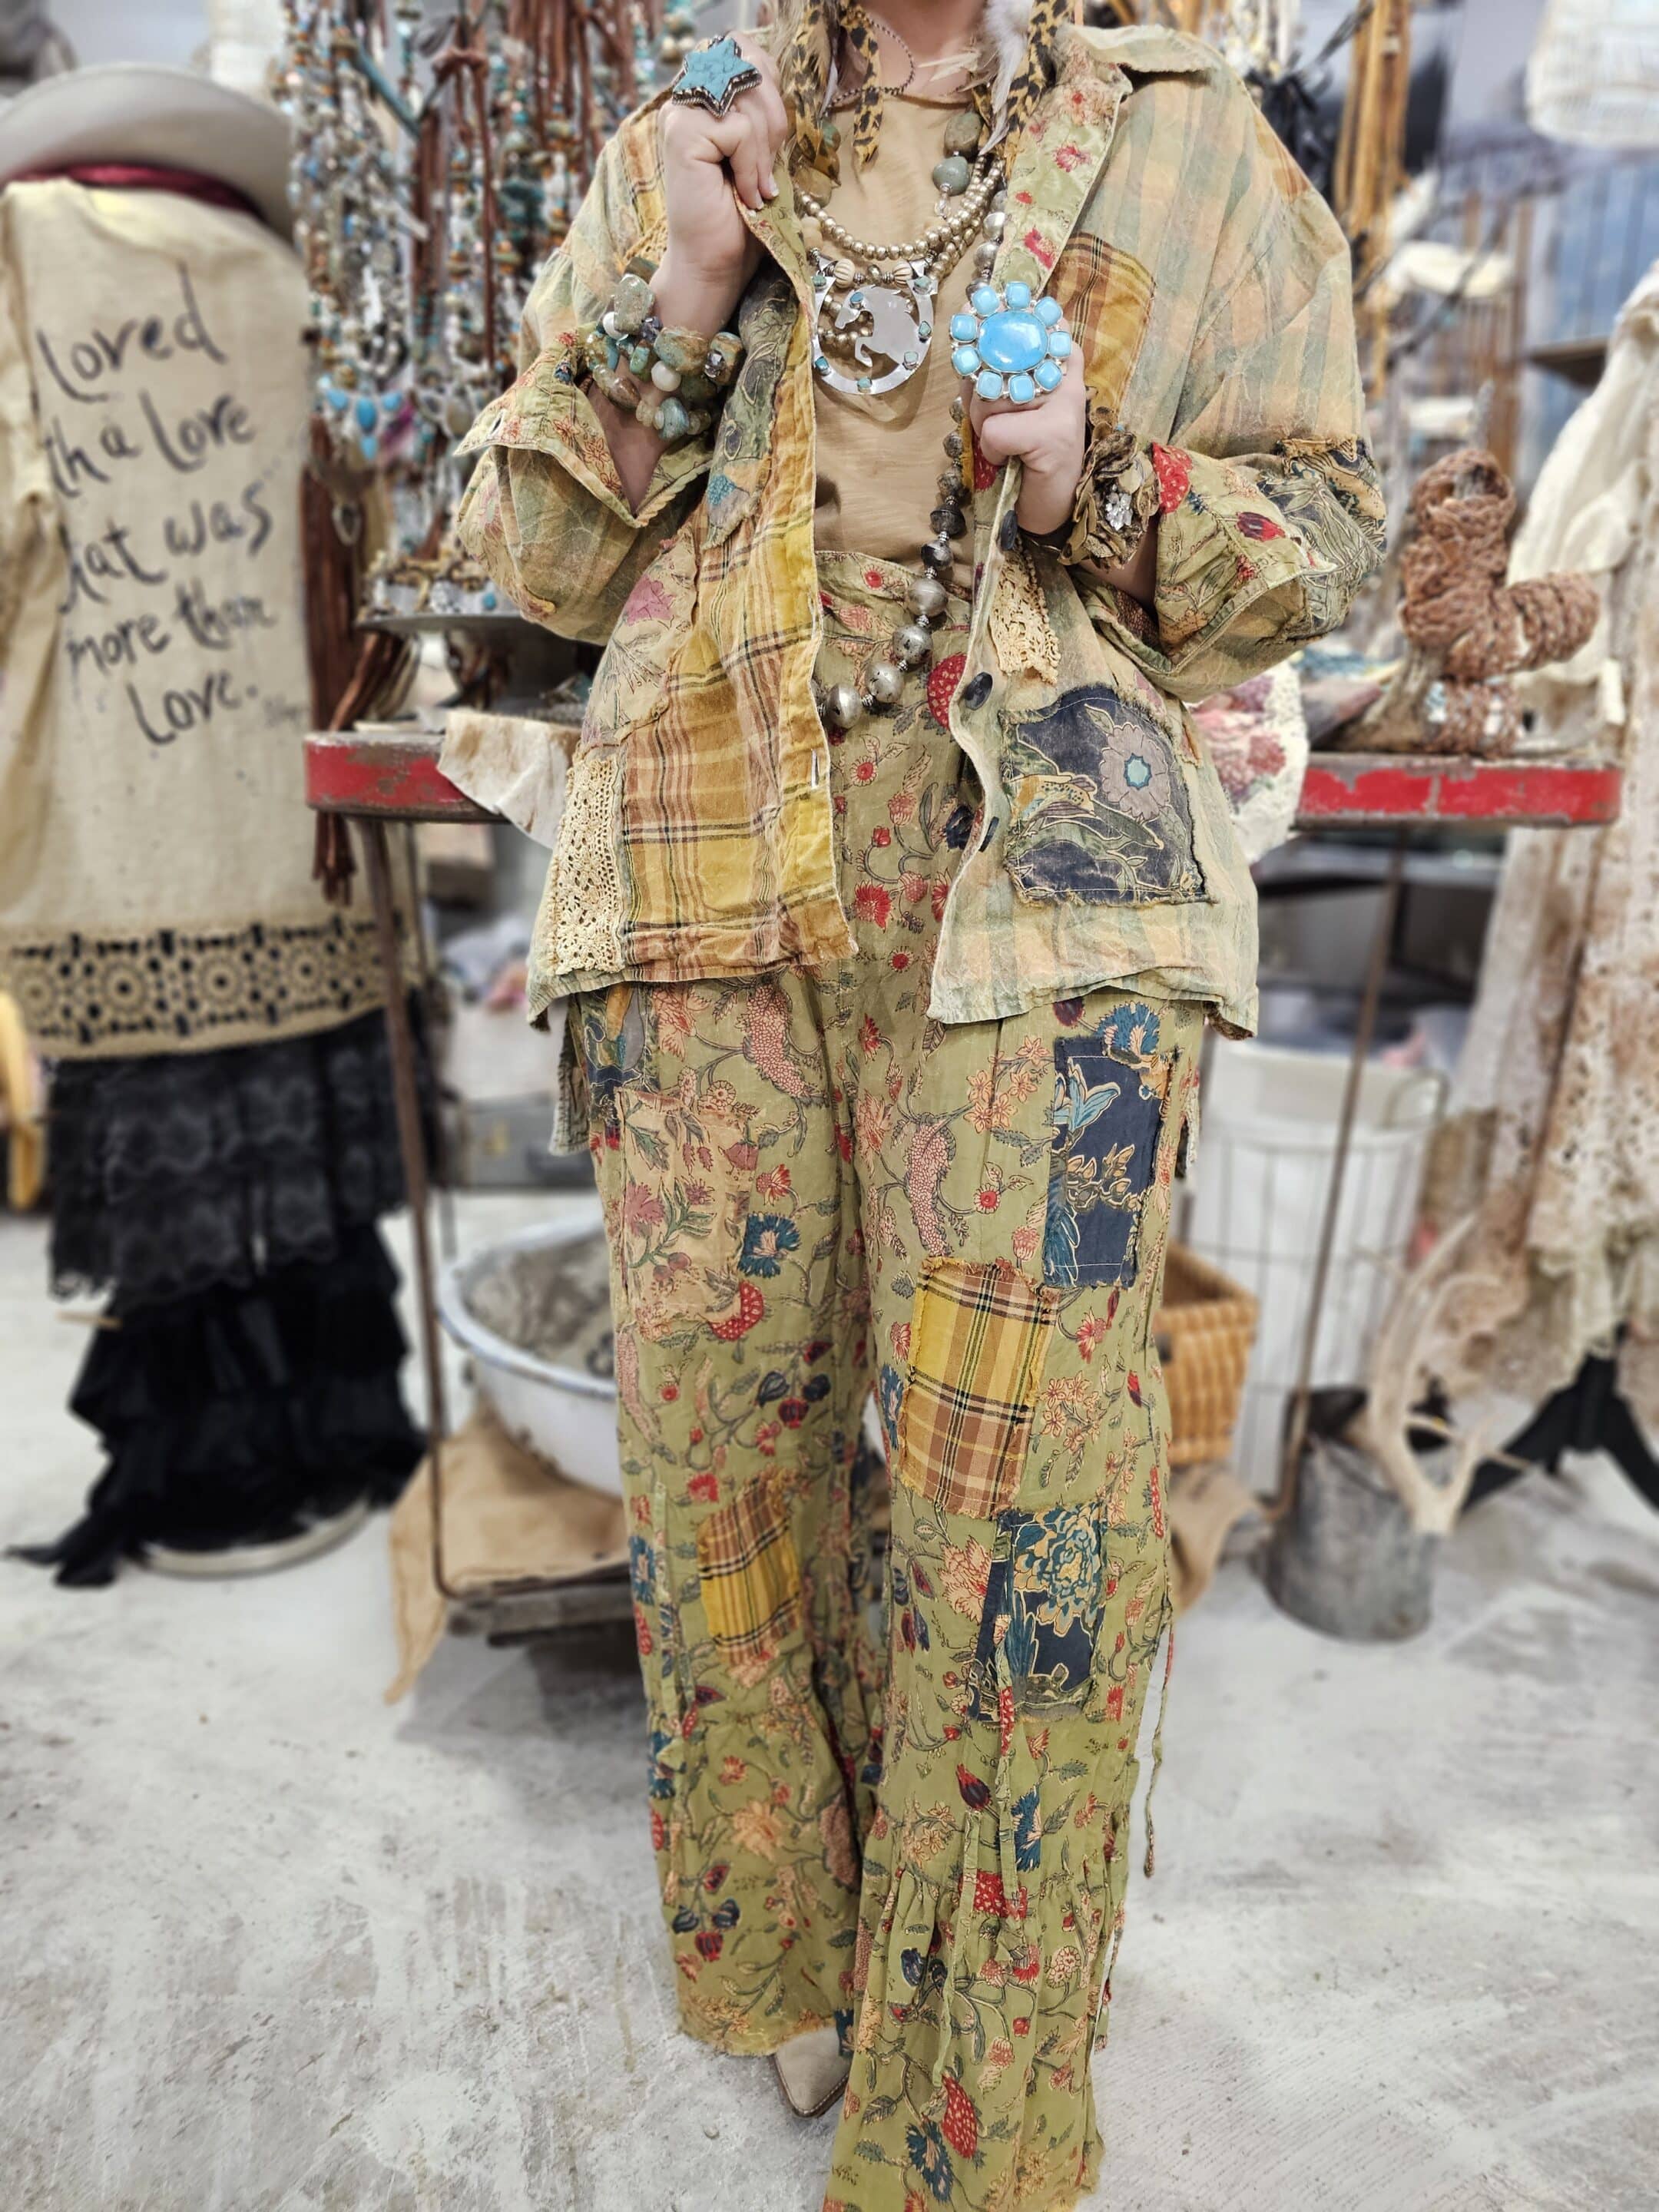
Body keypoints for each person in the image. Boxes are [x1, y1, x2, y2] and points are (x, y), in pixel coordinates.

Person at [458, 2, 1382, 2203]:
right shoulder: (699, 137)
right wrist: (684, 286)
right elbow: (536, 558)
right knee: (724, 1460)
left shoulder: (1187, 146)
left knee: (1021, 1507)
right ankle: (798, 1944)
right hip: (711, 856)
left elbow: (1330, 538)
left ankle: (970, 2093)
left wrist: (1097, 478)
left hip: (1044, 884)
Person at [0, 68, 424, 1584]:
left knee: (177, 1164)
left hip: (127, 815)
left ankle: (208, 1482)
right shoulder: (291, 287)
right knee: (303, 1146)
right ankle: (325, 1447)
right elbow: (378, 548)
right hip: (304, 825)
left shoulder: (19, 256)